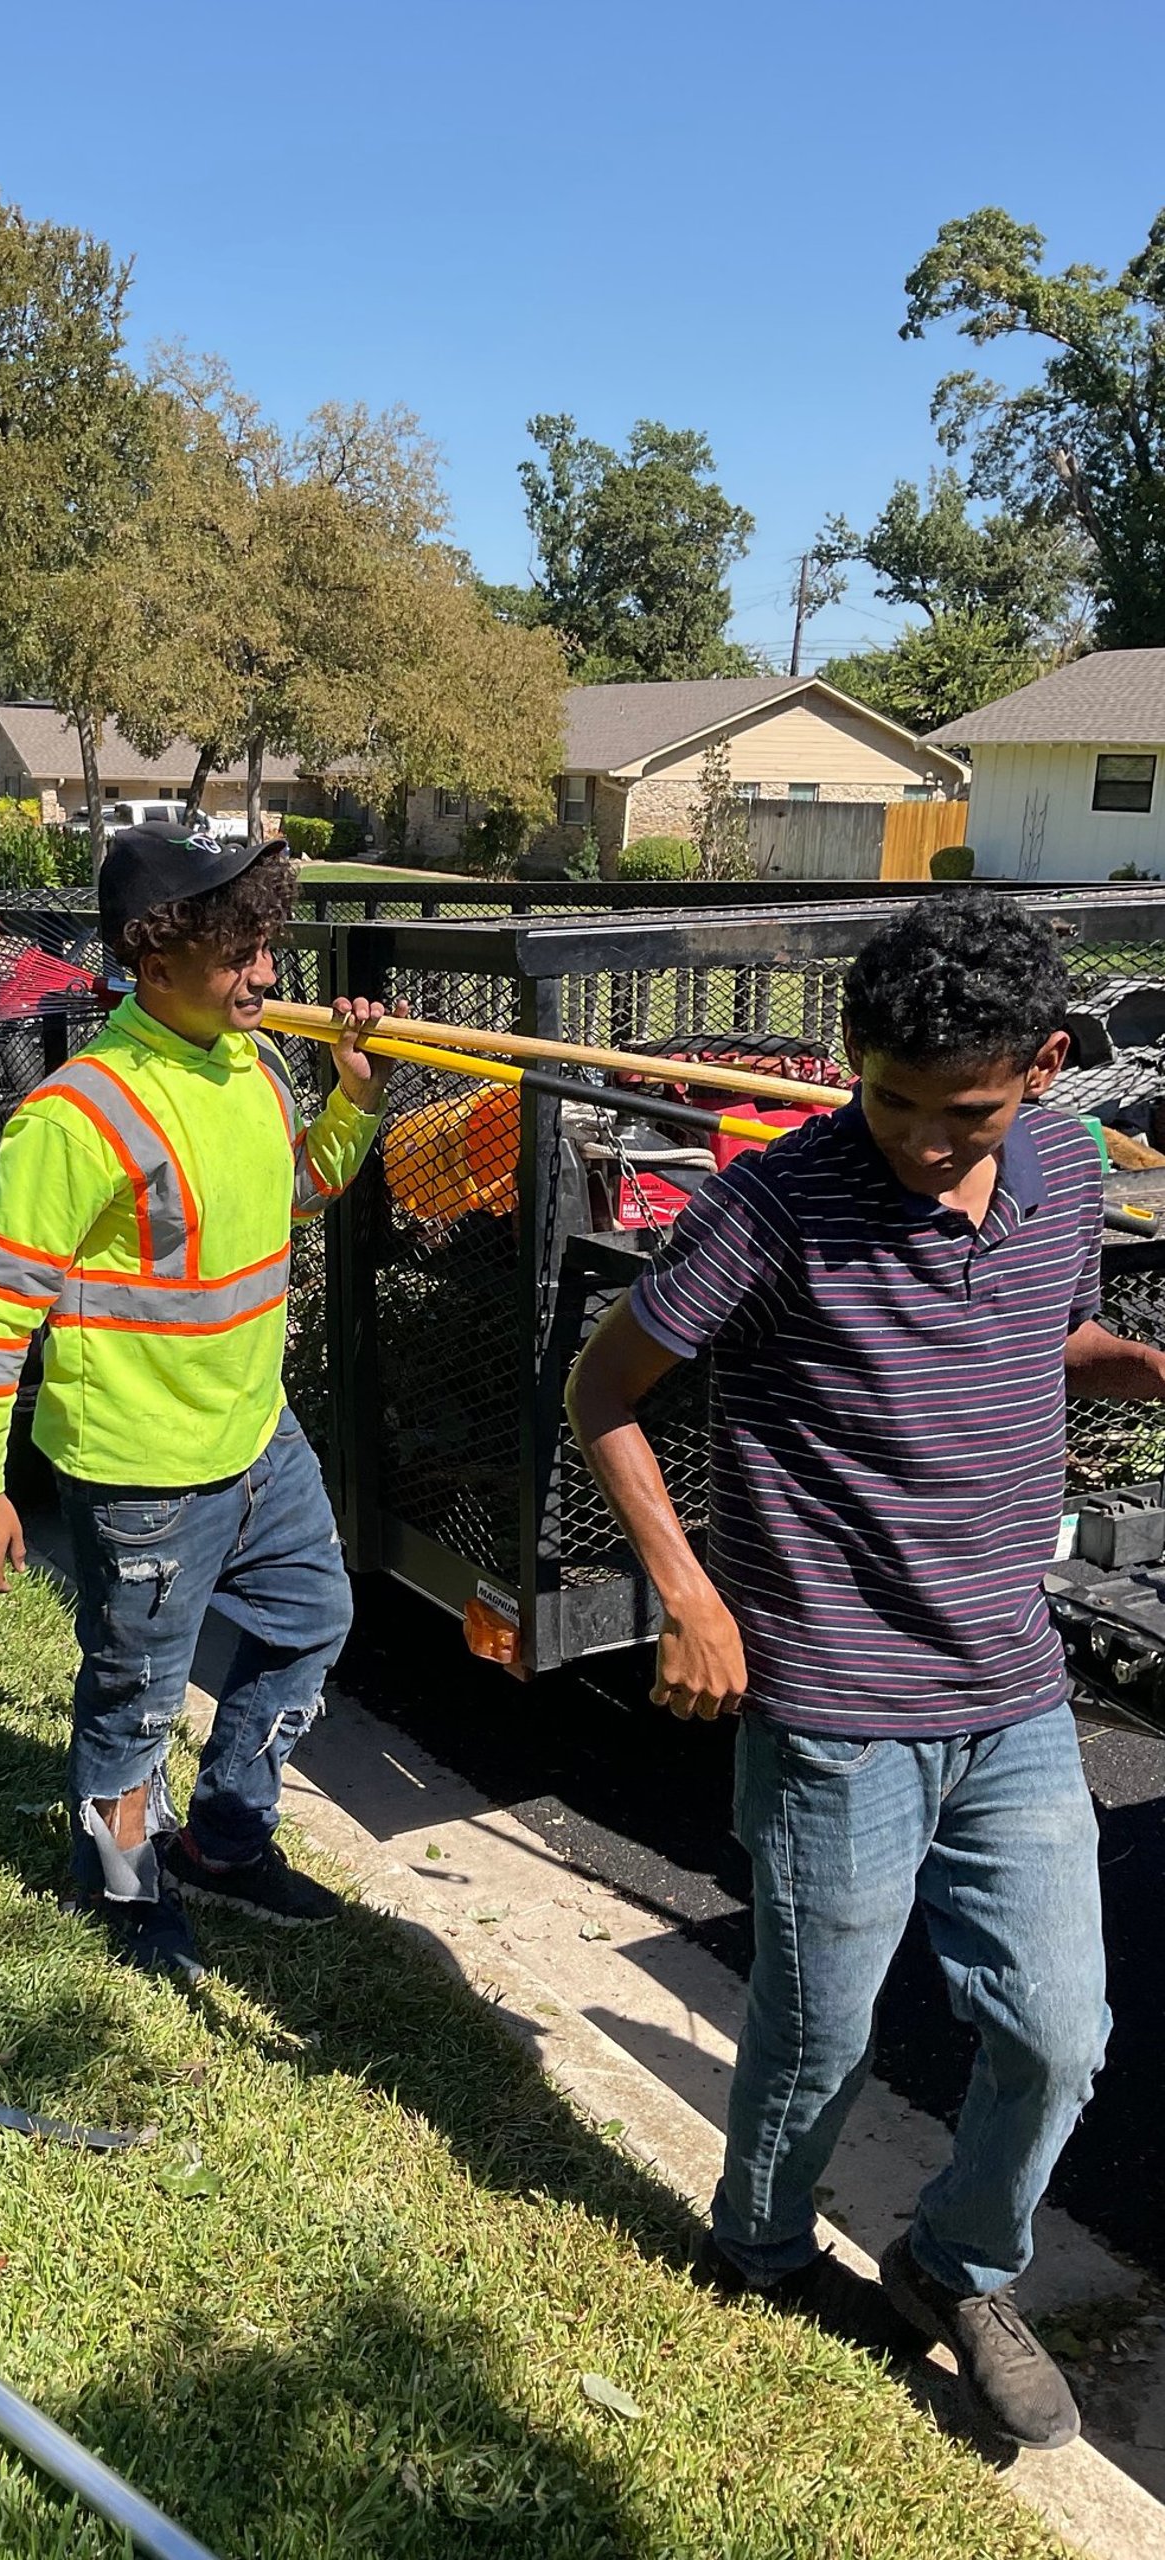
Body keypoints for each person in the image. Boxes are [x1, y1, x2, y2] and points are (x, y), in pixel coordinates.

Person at [565, 890, 1165, 2451]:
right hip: (836, 1708)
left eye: (954, 1112)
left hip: (1015, 1691)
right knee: (817, 2032)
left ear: (1044, 1066)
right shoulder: (771, 1211)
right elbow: (605, 1388)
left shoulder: (1062, 1170)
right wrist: (688, 1595)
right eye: (884, 1097)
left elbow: (1044, 1339)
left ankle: (955, 2266)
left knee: (1060, 2030)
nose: (912, 1137)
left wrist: (1135, 1364)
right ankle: (755, 2253)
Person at [0, 823, 400, 1978]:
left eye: (267, 943)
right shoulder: (79, 1114)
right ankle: (119, 1891)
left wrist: (351, 1102)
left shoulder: (247, 1064)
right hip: (144, 1473)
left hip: (258, 1436)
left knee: (311, 1622)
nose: (266, 973)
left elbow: (295, 1193)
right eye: (237, 950)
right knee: (135, 1705)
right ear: (153, 961)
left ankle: (227, 1839)